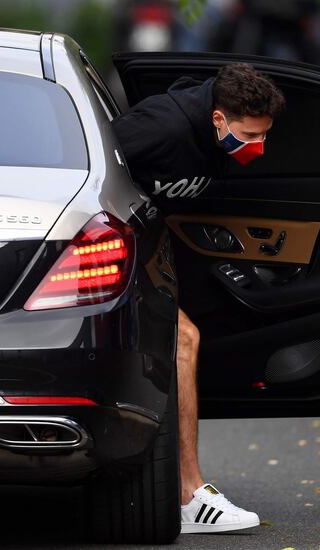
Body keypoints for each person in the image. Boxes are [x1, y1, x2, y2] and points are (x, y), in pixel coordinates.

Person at [112, 63, 285, 534]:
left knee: (196, 329)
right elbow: (88, 174)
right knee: (184, 339)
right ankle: (188, 496)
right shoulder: (160, 128)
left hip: (154, 246)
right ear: (218, 120)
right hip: (109, 251)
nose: (258, 147)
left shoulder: (216, 134)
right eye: (250, 135)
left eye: (264, 136)